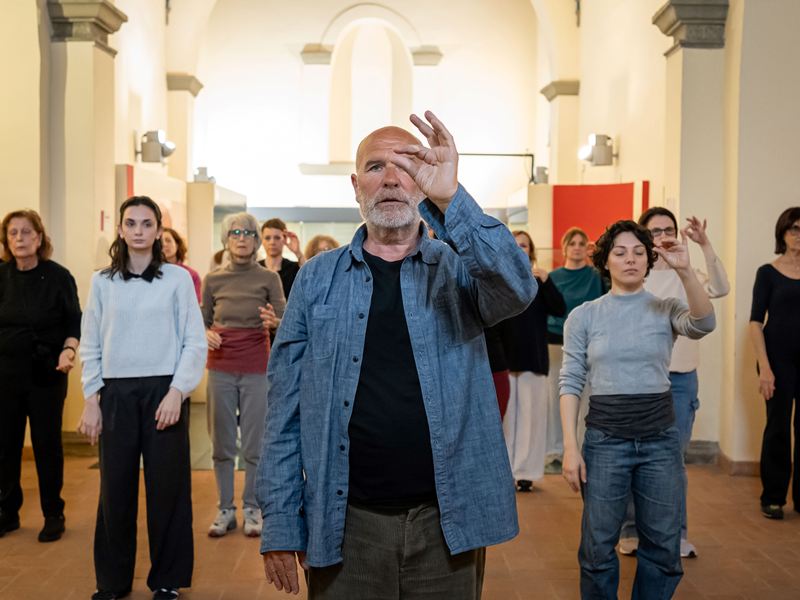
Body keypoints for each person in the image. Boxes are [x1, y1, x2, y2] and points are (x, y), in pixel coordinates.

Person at [256, 111, 537, 598]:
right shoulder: (316, 278)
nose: (390, 179)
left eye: (406, 165)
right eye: (374, 167)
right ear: (355, 185)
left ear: (424, 183)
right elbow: (284, 408)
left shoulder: (457, 269)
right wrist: (281, 521)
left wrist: (452, 200)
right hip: (345, 523)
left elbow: (518, 287)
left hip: (446, 522)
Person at [559, 220, 715, 599]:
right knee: (597, 549)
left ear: (649, 260)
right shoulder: (585, 316)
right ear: (605, 261)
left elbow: (704, 323)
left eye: (638, 252)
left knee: (663, 547)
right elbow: (570, 380)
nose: (630, 259)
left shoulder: (666, 308)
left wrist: (684, 271)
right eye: (620, 252)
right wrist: (570, 447)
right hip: (605, 441)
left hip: (660, 441)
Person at [77, 196, 207, 600]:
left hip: (164, 390)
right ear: (120, 229)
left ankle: (166, 580)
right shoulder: (102, 282)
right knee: (114, 491)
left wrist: (177, 391)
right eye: (130, 223)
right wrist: (91, 398)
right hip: (115, 392)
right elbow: (90, 343)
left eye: (146, 223)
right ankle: (112, 582)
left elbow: (194, 341)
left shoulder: (178, 279)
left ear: (158, 230)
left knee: (167, 490)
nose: (138, 230)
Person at [615, 208, 729, 559]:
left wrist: (704, 244)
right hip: (639, 381)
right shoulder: (638, 275)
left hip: (680, 382)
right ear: (643, 237)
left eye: (669, 229)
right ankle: (632, 531)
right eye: (654, 231)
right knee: (634, 457)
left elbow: (721, 288)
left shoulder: (686, 272)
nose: (663, 235)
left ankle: (676, 535)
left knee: (672, 461)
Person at [202, 212, 285, 538]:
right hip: (220, 367)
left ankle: (252, 507)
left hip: (256, 367)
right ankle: (225, 509)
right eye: (235, 232)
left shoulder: (268, 278)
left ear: (256, 239)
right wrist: (205, 332)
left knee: (255, 445)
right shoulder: (213, 279)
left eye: (248, 232)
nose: (241, 237)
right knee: (222, 444)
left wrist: (275, 322)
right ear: (226, 238)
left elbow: (285, 315)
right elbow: (202, 321)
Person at [0, 210, 81, 543]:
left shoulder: (59, 276)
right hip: (5, 375)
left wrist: (69, 350)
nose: (19, 239)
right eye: (12, 233)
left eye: (26, 232)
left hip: (47, 373)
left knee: (48, 445)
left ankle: (53, 513)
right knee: (5, 446)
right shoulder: (1, 276)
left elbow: (74, 322)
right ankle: (7, 512)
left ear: (39, 237)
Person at [502, 230, 566, 492]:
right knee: (507, 420)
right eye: (515, 244)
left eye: (525, 245)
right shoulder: (500, 277)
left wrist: (548, 281)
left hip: (533, 358)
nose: (520, 248)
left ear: (531, 250)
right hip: (504, 359)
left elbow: (559, 309)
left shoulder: (540, 280)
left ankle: (526, 473)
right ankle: (505, 470)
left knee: (531, 419)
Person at [749, 206, 800, 520]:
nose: (798, 235)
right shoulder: (767, 273)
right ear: (782, 232)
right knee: (778, 427)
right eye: (794, 228)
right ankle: (773, 498)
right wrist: (765, 368)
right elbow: (755, 322)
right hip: (777, 361)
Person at [546, 227, 606, 467]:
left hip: (589, 345)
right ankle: (555, 451)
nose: (578, 247)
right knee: (555, 398)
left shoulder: (596, 276)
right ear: (565, 247)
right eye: (573, 243)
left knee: (586, 399)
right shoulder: (553, 277)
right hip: (555, 342)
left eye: (582, 243)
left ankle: (580, 447)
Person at [259, 218, 305, 299]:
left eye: (277, 238)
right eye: (267, 238)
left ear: (285, 239)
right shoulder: (256, 268)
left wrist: (298, 252)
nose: (272, 242)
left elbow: (309, 278)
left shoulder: (294, 268)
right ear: (262, 240)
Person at [162, 227, 202, 303]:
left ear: (177, 245)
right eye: (160, 242)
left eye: (168, 240)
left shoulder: (192, 274)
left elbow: (195, 303)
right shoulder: (153, 273)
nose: (164, 244)